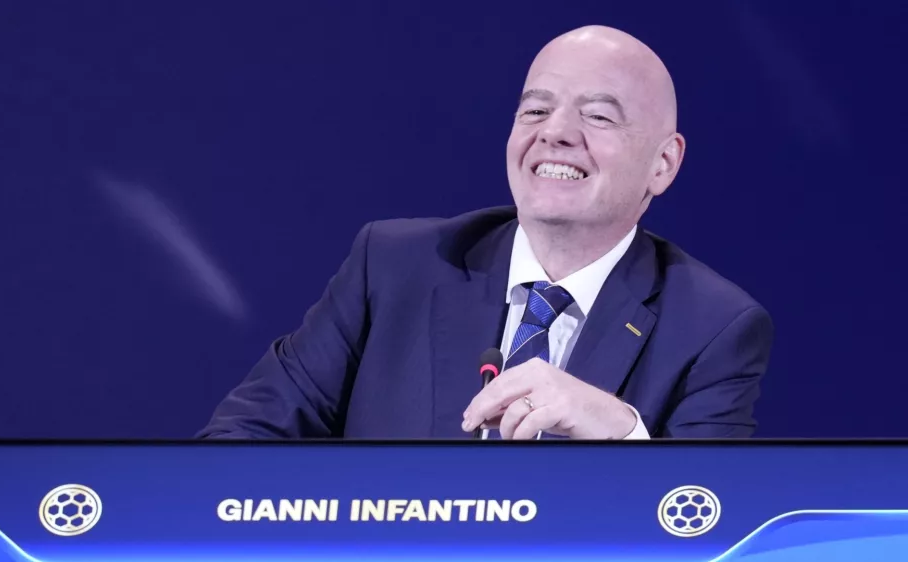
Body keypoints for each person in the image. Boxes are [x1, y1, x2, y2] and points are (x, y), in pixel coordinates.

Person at [197, 25, 774, 440]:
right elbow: (240, 443)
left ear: (663, 164)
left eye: (598, 116)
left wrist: (623, 439)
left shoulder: (713, 328)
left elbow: (705, 521)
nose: (556, 133)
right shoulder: (394, 267)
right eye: (534, 110)